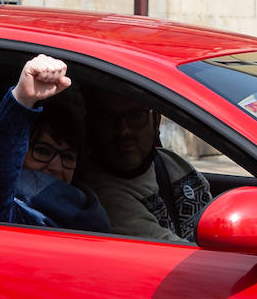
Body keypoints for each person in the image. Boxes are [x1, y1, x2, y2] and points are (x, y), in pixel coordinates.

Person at [0, 54, 111, 232]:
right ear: (18, 152)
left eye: (68, 157)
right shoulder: (13, 212)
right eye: (44, 152)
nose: (57, 167)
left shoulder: (89, 211)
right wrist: (22, 100)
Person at [78, 86, 212, 242]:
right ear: (93, 127)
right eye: (108, 118)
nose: (123, 130)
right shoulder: (104, 199)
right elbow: (174, 255)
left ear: (157, 121)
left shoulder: (172, 163)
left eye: (135, 116)